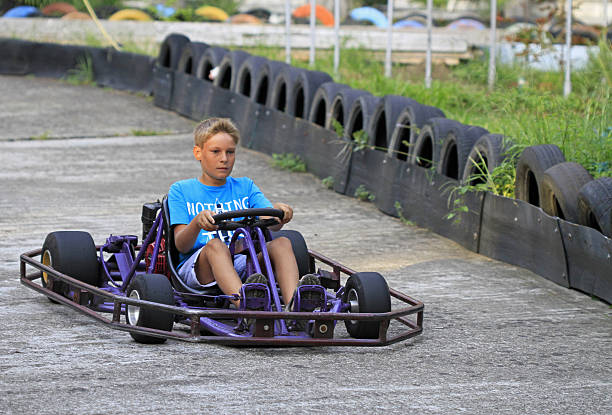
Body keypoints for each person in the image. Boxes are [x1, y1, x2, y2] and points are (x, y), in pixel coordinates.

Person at [167, 117, 316, 310]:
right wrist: (196, 223)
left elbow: (271, 223)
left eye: (230, 152)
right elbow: (180, 244)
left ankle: (294, 307)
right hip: (198, 268)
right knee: (215, 246)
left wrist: (281, 214)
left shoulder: (245, 186)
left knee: (282, 242)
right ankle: (246, 307)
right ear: (198, 153)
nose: (224, 159)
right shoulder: (181, 190)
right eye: (215, 152)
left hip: (240, 263)